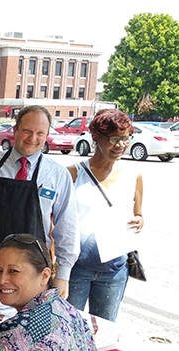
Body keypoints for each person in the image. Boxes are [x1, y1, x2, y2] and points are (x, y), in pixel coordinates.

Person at [0, 105, 79, 298]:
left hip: (31, 273)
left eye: (40, 133)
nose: (32, 138)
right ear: (16, 130)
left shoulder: (58, 175)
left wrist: (64, 274)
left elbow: (67, 229)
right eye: (27, 131)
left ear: (47, 135)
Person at [66, 109, 143, 321]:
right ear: (95, 138)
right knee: (69, 329)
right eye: (114, 138)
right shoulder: (73, 173)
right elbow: (56, 220)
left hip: (114, 269)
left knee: (105, 332)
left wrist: (139, 221)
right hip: (76, 268)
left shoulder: (133, 176)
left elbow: (138, 215)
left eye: (125, 138)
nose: (120, 145)